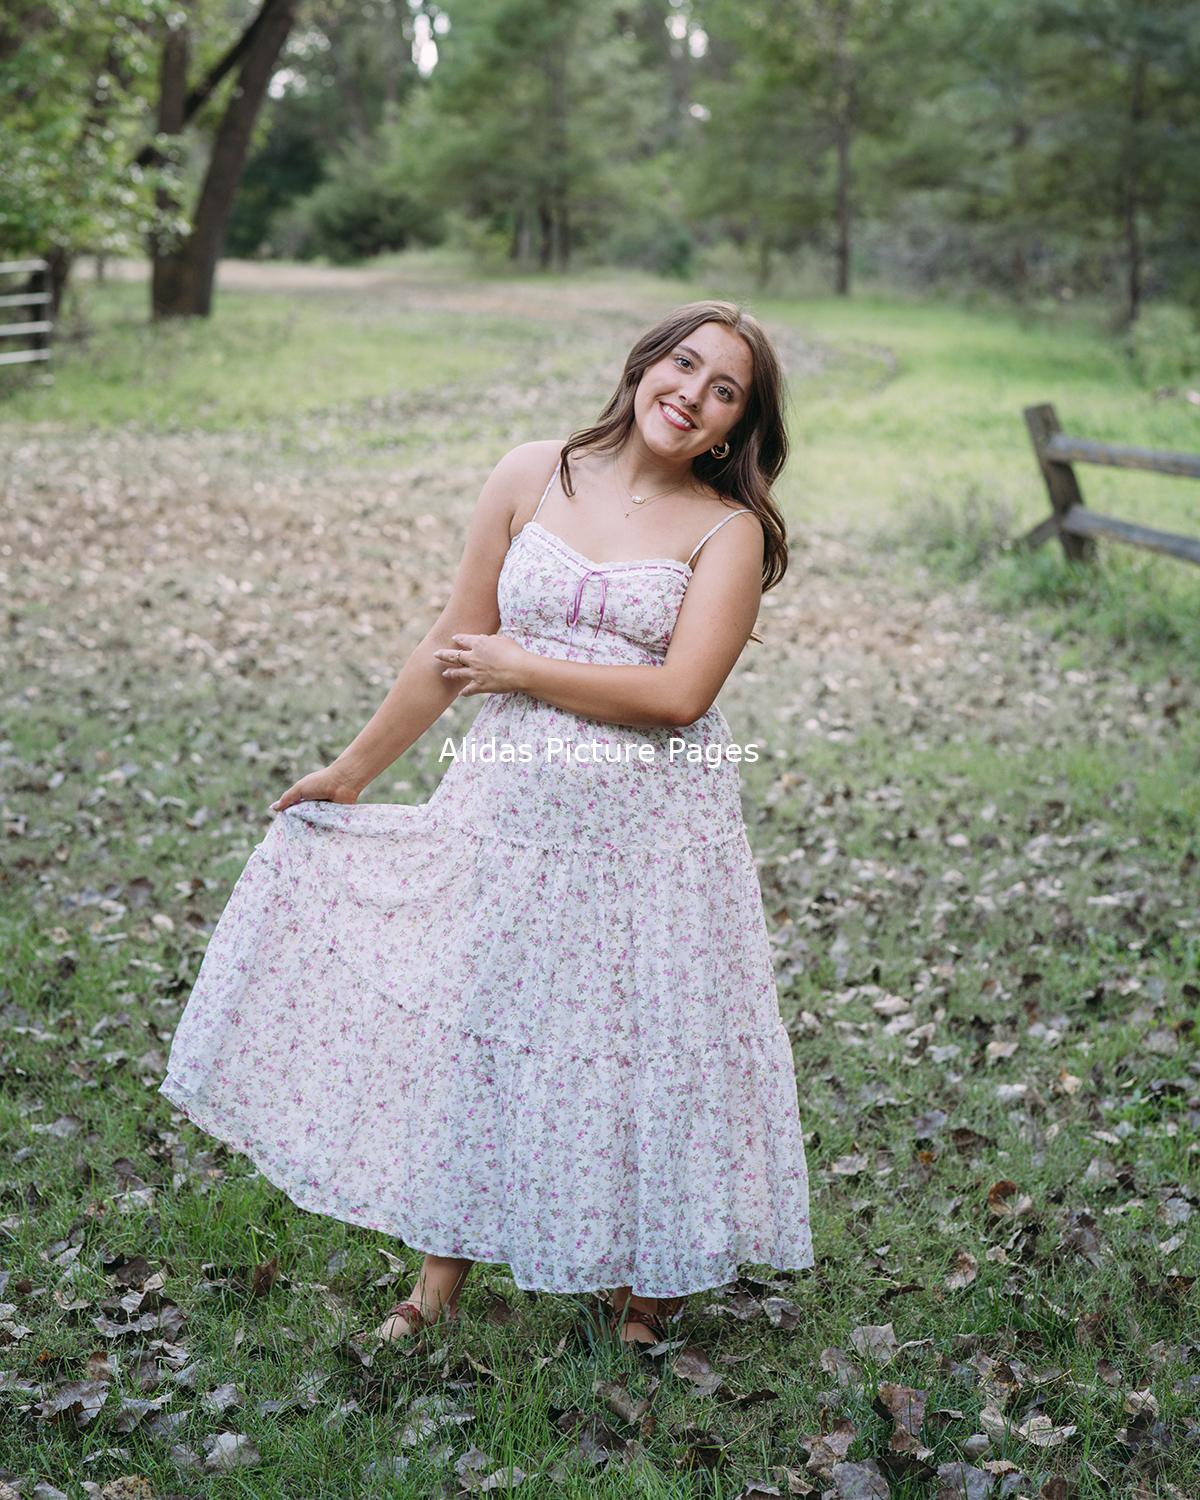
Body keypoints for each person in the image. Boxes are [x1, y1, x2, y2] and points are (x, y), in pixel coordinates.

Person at [158, 299, 814, 1349]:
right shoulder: (531, 474)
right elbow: (453, 643)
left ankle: (643, 1285)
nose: (692, 394)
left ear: (737, 425)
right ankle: (435, 1286)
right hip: (506, 814)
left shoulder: (726, 530)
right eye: (683, 365)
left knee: (636, 1037)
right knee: (488, 1025)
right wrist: (351, 771)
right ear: (645, 364)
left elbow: (681, 695)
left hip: (655, 836)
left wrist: (523, 665)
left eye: (724, 389)